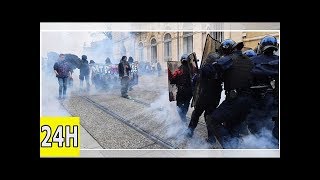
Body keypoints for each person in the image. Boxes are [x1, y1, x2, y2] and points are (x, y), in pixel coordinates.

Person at [202, 39, 254, 148]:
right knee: (232, 127)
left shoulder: (229, 59)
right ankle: (236, 147)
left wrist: (204, 66)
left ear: (226, 50)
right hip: (248, 101)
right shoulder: (248, 60)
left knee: (212, 119)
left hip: (235, 100)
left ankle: (230, 148)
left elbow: (211, 70)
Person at [247, 35, 279, 139]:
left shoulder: (252, 60)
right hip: (274, 100)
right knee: (271, 126)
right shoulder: (278, 60)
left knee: (254, 124)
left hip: (257, 99)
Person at [186, 52, 223, 142]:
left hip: (204, 97)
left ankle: (189, 133)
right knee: (209, 117)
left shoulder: (205, 68)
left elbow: (196, 80)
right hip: (214, 98)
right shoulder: (220, 69)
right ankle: (211, 138)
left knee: (196, 114)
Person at [170, 54, 193, 122]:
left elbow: (172, 80)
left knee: (179, 106)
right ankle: (183, 117)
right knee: (186, 105)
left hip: (181, 92)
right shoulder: (192, 69)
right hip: (189, 92)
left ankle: (183, 119)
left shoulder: (179, 70)